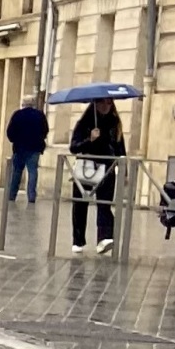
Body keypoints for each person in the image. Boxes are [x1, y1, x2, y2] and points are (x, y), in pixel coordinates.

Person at [65, 96, 126, 252]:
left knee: (105, 204)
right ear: (95, 104)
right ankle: (78, 240)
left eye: (109, 102)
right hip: (87, 166)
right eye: (102, 102)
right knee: (80, 204)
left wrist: (123, 165)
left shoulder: (115, 123)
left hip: (107, 167)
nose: (106, 105)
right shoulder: (84, 123)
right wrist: (90, 139)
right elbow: (74, 147)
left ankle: (104, 238)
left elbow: (120, 147)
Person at [4, 92, 50, 203]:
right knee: (33, 171)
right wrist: (39, 139)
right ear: (33, 103)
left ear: (23, 103)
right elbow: (45, 130)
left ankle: (12, 195)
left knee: (17, 172)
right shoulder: (40, 115)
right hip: (34, 148)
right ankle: (31, 196)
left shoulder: (17, 115)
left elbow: (10, 131)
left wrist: (14, 140)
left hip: (19, 147)